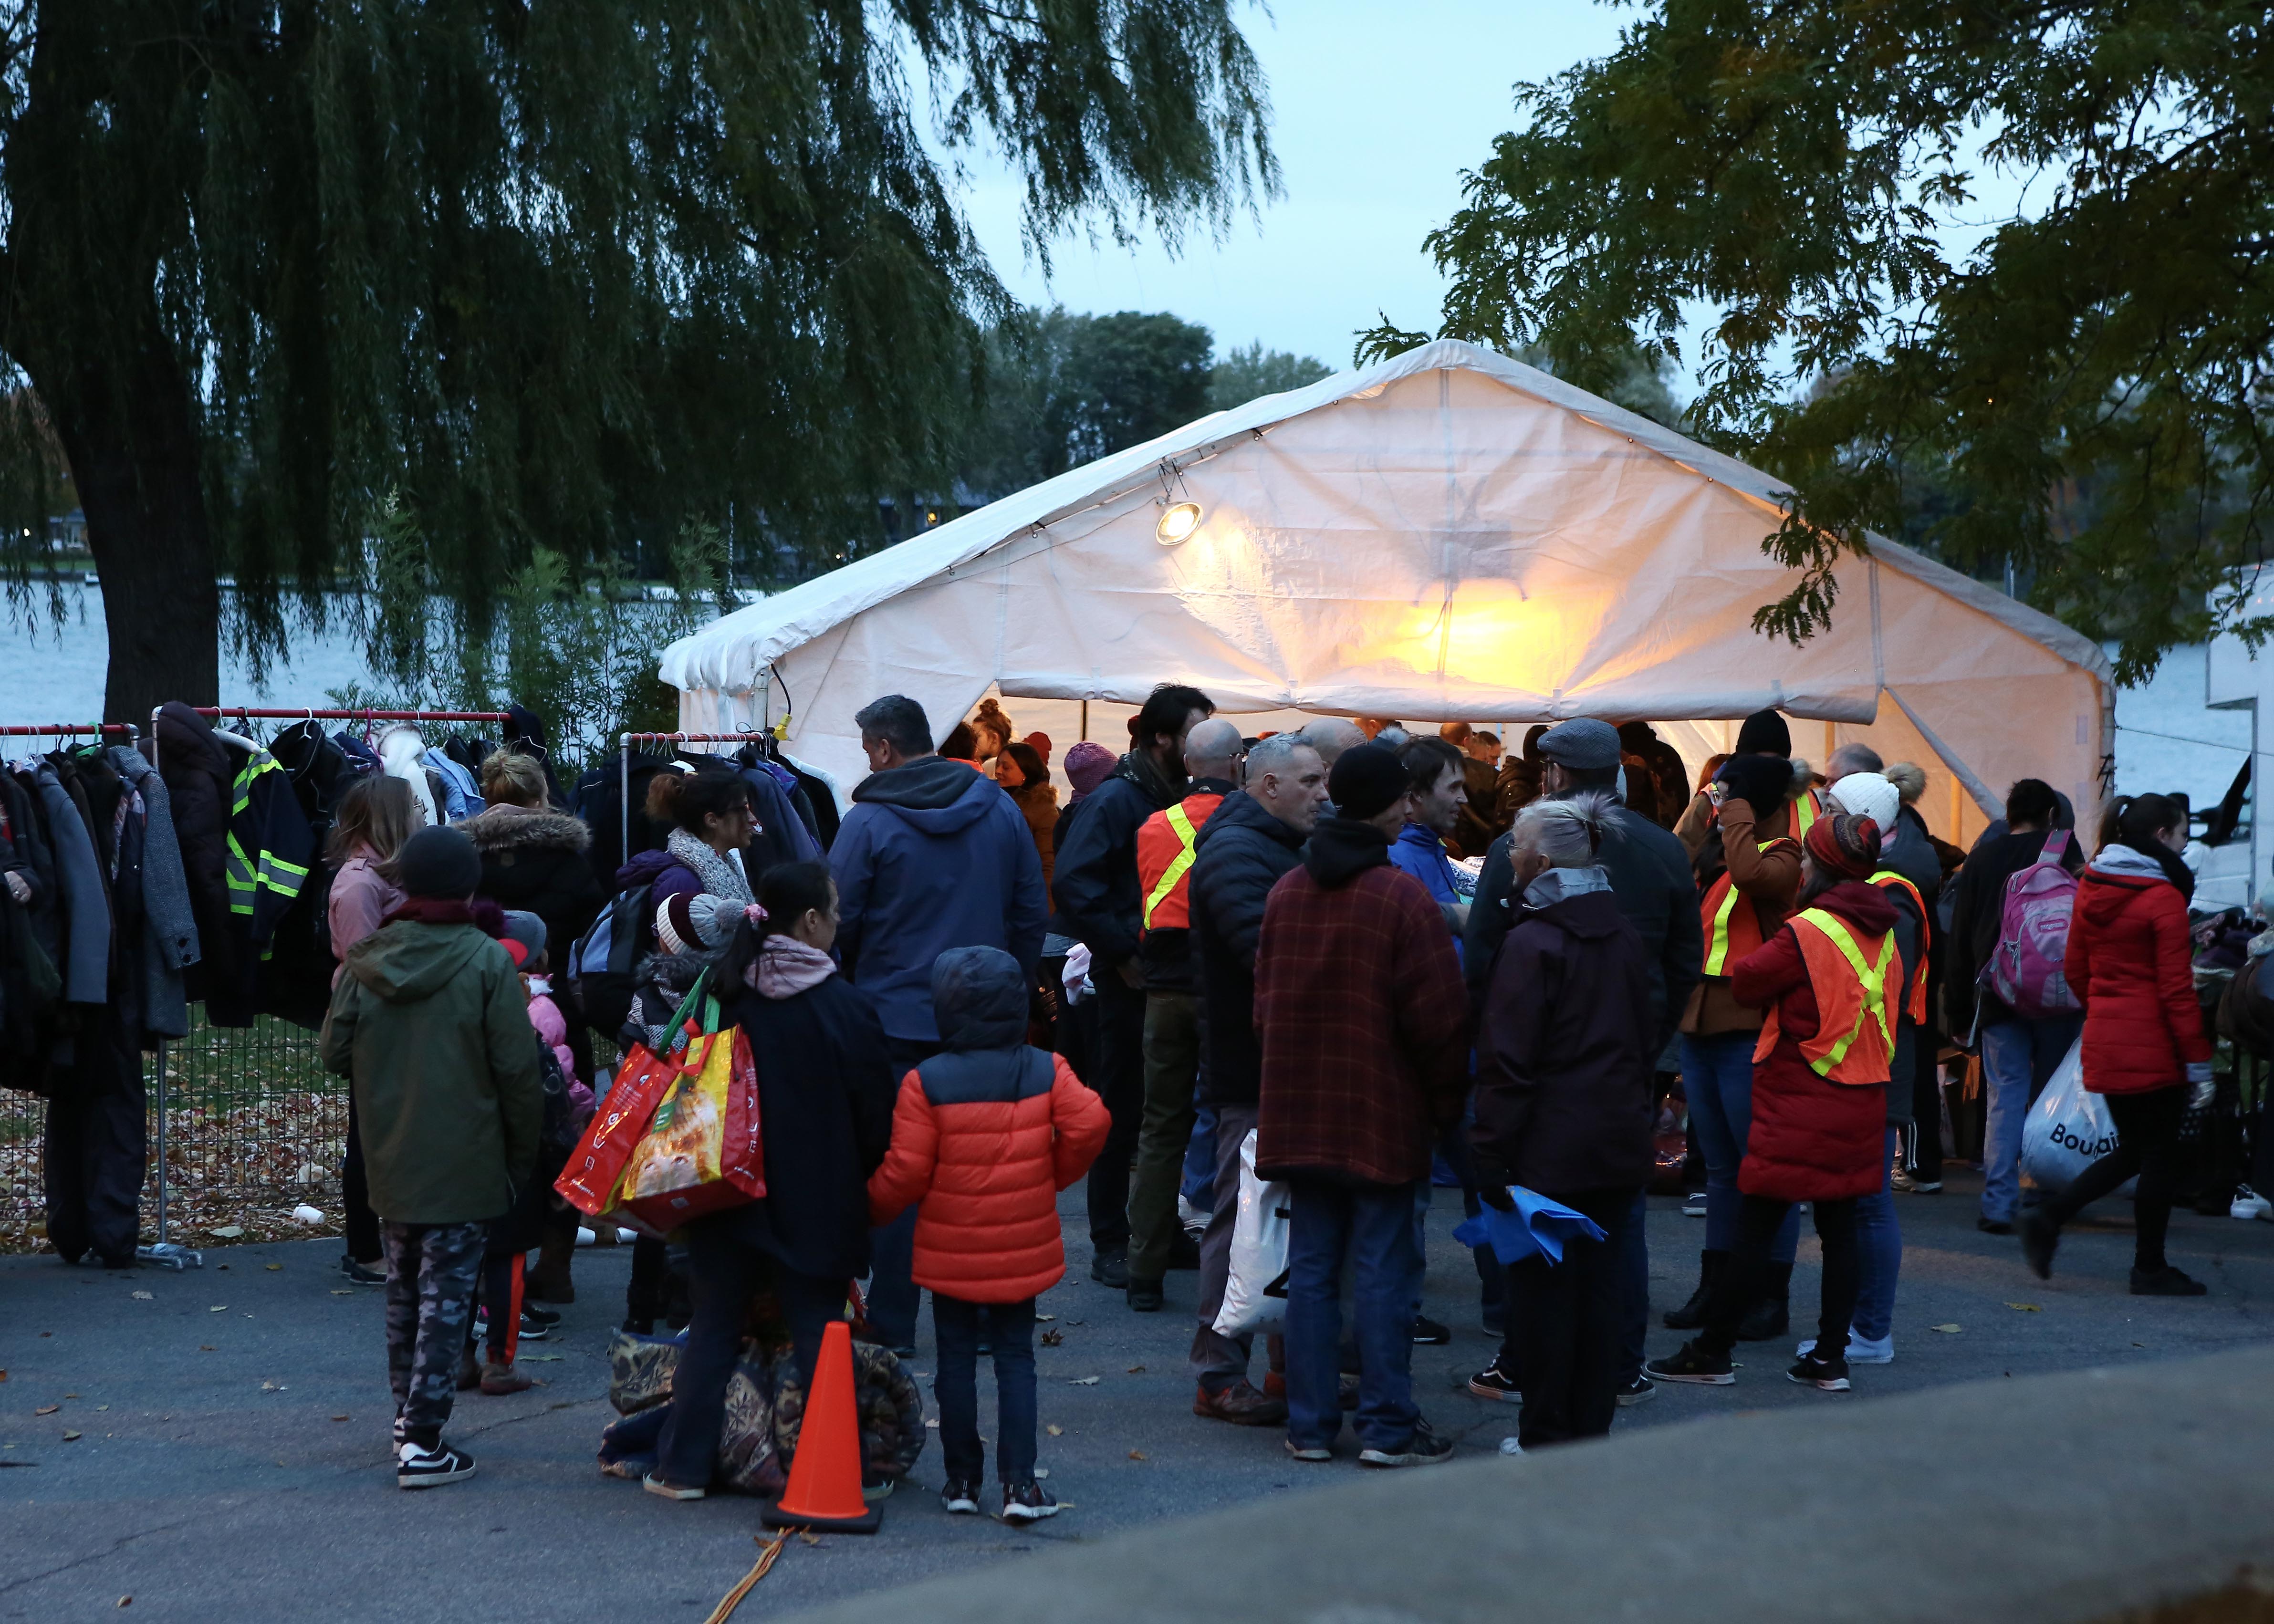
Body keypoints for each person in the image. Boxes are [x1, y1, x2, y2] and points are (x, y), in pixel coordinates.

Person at [644, 863, 901, 1500]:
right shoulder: (846, 1007)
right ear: (811, 921)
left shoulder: (726, 993)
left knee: (713, 1325)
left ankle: (681, 1469)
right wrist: (861, 1179)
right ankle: (838, 1469)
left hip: (722, 1192)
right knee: (818, 1327)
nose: (838, 921)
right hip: (816, 1196)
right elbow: (876, 1115)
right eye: (834, 911)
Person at [1464, 718, 1702, 1404]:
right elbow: (1685, 958)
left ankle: (1523, 1357)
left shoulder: (1522, 847)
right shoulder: (1661, 850)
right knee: (1618, 1211)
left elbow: (1481, 956)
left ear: (1556, 776)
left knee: (1526, 1202)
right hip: (1630, 1057)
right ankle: (1619, 1362)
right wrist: (1651, 1037)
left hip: (1537, 1058)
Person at [1253, 743, 1469, 1468]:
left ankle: (1311, 1426)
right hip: (1382, 1111)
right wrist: (1447, 1111)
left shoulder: (1288, 891)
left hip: (1302, 1107)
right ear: (1395, 805)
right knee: (1382, 1272)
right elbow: (1440, 1023)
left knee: (1312, 1271)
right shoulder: (1400, 898)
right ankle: (1384, 1425)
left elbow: (1263, 1009)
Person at [319, 826, 542, 1489]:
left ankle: (406, 1420)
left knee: (404, 1293)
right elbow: (517, 1072)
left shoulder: (368, 961)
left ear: (404, 884)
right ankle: (422, 1440)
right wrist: (519, 1156)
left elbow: (334, 1053)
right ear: (469, 887)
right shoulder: (485, 962)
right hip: (468, 1155)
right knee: (448, 1296)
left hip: (391, 1151)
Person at [1648, 813, 1898, 1392]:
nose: (1801, 869)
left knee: (1753, 1225)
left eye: (1807, 860)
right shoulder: (1880, 926)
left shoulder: (1808, 929)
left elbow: (1747, 981)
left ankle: (1711, 1349)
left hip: (1800, 1093)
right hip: (1860, 1093)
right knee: (1839, 1231)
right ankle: (1828, 1358)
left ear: (1824, 868)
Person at [829, 693, 1047, 1348]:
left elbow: (836, 920)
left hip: (892, 1020)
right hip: (982, 1019)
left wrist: (848, 992)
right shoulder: (1000, 809)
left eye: (868, 748)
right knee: (978, 1176)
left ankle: (893, 1321)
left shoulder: (867, 822)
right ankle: (980, 1321)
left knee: (900, 1175)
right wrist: (1007, 986)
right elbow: (1030, 908)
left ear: (885, 749)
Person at [868, 946, 1111, 1522]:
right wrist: (1054, 1172)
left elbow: (904, 1172)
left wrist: (866, 1210)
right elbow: (1092, 1121)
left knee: (953, 1360)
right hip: (1020, 1248)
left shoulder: (925, 1080)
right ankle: (1020, 1484)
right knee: (1014, 1357)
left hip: (949, 1248)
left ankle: (960, 1479)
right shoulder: (1044, 1068)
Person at [1469, 793, 1655, 1447]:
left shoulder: (1532, 944)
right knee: (1600, 1299)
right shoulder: (1622, 935)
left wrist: (1489, 1152)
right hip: (1615, 1141)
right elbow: (1643, 1033)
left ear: (1539, 861)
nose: (1509, 855)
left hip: (1547, 1153)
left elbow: (1508, 1062)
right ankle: (1587, 1436)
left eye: (1515, 846)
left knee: (1545, 1304)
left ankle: (1547, 1438)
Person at [1184, 732, 1326, 1424]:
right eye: (1310, 783)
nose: (1322, 795)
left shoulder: (1274, 844)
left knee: (1281, 1222)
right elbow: (1263, 956)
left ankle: (1282, 1368)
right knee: (1241, 1221)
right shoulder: (1237, 852)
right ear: (1268, 786)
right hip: (1253, 1067)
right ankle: (1218, 1373)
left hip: (1281, 1062)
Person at [1053, 683, 1214, 1289]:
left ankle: (1157, 1231)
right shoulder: (1118, 800)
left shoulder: (1172, 794)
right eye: (1194, 734)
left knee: (1164, 1110)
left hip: (1171, 976)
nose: (1204, 747)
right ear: (1160, 739)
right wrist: (1119, 951)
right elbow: (1074, 883)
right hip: (1129, 980)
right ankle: (1111, 1241)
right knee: (1120, 1112)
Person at [2018, 794, 2211, 1295]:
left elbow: (2077, 968)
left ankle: (2050, 1216)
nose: (2187, 839)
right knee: (2158, 1157)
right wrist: (2197, 1061)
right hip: (2152, 1044)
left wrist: (2106, 1008)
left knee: (2135, 1150)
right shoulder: (2162, 897)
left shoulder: (2092, 884)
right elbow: (2175, 988)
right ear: (2162, 836)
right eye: (2183, 831)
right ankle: (2148, 1266)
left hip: (2105, 1036)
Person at [1663, 719, 1809, 1339]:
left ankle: (1767, 1295)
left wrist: (1737, 808)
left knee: (1763, 1166)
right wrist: (1710, 800)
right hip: (1702, 1023)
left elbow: (1749, 874)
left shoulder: (1783, 857)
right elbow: (1676, 847)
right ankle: (1715, 1287)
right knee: (1721, 1169)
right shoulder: (1719, 852)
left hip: (1749, 1026)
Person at [461, 749, 607, 1306]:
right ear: (539, 793)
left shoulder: (464, 857)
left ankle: (493, 1265)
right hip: (556, 1010)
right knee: (565, 1131)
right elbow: (592, 926)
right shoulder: (569, 858)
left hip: (482, 1004)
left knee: (491, 1132)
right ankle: (556, 1263)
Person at [1808, 772, 1929, 1365]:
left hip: (1877, 1063)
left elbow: (1875, 985)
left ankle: (1871, 1331)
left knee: (1870, 1200)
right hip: (1871, 1059)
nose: (1818, 819)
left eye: (1829, 808)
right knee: (1861, 1200)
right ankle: (1862, 1327)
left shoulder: (1890, 895)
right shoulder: (1882, 888)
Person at [1125, 718, 1243, 1311]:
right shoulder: (1250, 825)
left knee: (1159, 1128)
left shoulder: (1152, 825)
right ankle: (1232, 1273)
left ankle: (1142, 1270)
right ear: (1238, 763)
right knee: (1235, 1128)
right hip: (1224, 989)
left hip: (1163, 989)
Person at [1945, 777, 2086, 1234]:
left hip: (1999, 995)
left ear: (2009, 817)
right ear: (2051, 815)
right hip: (2059, 995)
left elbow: (1962, 938)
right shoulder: (2065, 848)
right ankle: (2048, 1198)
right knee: (2053, 1099)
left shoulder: (1984, 857)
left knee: (2004, 1099)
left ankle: (1998, 1204)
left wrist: (1959, 1013)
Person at [326, 776, 418, 1288]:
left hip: (396, 1017)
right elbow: (364, 961)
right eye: (413, 805)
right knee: (368, 1135)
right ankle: (363, 1250)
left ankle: (389, 1239)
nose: (422, 811)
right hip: (375, 1020)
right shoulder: (361, 884)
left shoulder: (387, 874)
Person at [1390, 736, 1472, 940]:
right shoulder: (1396, 857)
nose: (1464, 798)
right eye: (1454, 788)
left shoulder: (1432, 845)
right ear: (1417, 793)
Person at [996, 739, 1059, 891]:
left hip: (1025, 894)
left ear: (1025, 773)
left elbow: (1048, 864)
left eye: (1006, 767)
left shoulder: (1044, 811)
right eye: (998, 765)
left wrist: (1046, 909)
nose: (998, 771)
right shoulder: (995, 799)